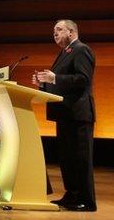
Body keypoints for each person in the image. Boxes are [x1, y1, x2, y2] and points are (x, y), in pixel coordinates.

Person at [33, 19, 96, 212]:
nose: (55, 33)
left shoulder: (81, 49)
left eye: (59, 30)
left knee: (81, 159)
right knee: (67, 159)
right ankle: (72, 195)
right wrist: (44, 83)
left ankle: (87, 200)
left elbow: (83, 79)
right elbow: (62, 83)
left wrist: (55, 78)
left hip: (78, 114)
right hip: (65, 114)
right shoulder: (64, 52)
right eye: (53, 31)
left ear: (71, 31)